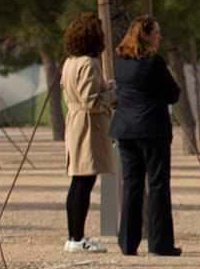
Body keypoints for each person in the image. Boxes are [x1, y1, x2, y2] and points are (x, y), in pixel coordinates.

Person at [110, 15, 182, 256]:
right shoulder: (153, 63)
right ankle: (160, 243)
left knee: (131, 185)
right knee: (158, 185)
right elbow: (172, 94)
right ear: (146, 35)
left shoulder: (120, 62)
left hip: (126, 129)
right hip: (152, 129)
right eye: (156, 32)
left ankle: (128, 242)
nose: (159, 36)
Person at [58, 13, 114, 253]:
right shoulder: (88, 63)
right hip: (88, 124)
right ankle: (77, 236)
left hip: (74, 120)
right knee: (84, 180)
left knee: (77, 180)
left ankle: (74, 235)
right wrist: (113, 93)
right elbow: (92, 100)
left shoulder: (70, 61)